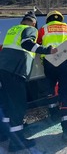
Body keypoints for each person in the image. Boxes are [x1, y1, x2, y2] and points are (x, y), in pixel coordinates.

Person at [0, 11, 57, 152]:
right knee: (18, 106)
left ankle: (4, 135)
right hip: (16, 70)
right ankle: (16, 143)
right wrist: (48, 50)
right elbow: (27, 43)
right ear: (34, 23)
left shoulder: (12, 30)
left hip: (3, 69)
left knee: (7, 104)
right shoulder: (30, 29)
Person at [37, 10, 67, 141]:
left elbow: (38, 43)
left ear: (48, 19)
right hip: (64, 60)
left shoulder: (44, 28)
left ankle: (53, 112)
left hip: (49, 61)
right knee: (66, 92)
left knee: (50, 88)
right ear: (61, 19)